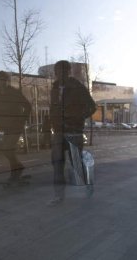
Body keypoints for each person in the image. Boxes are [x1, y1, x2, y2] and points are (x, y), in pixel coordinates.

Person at [48, 60, 96, 205]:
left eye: (63, 71)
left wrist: (78, 118)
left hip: (74, 132)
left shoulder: (77, 87)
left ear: (68, 72)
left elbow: (92, 107)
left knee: (76, 165)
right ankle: (59, 196)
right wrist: (51, 122)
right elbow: (53, 108)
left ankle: (87, 189)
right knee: (57, 165)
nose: (59, 74)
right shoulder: (54, 88)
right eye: (57, 71)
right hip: (58, 132)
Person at [0, 71, 32, 185]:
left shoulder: (14, 92)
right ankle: (18, 168)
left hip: (16, 125)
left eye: (4, 80)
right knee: (6, 150)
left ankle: (15, 172)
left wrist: (22, 120)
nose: (2, 82)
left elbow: (28, 106)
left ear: (8, 81)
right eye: (0, 80)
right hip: (6, 126)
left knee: (8, 149)